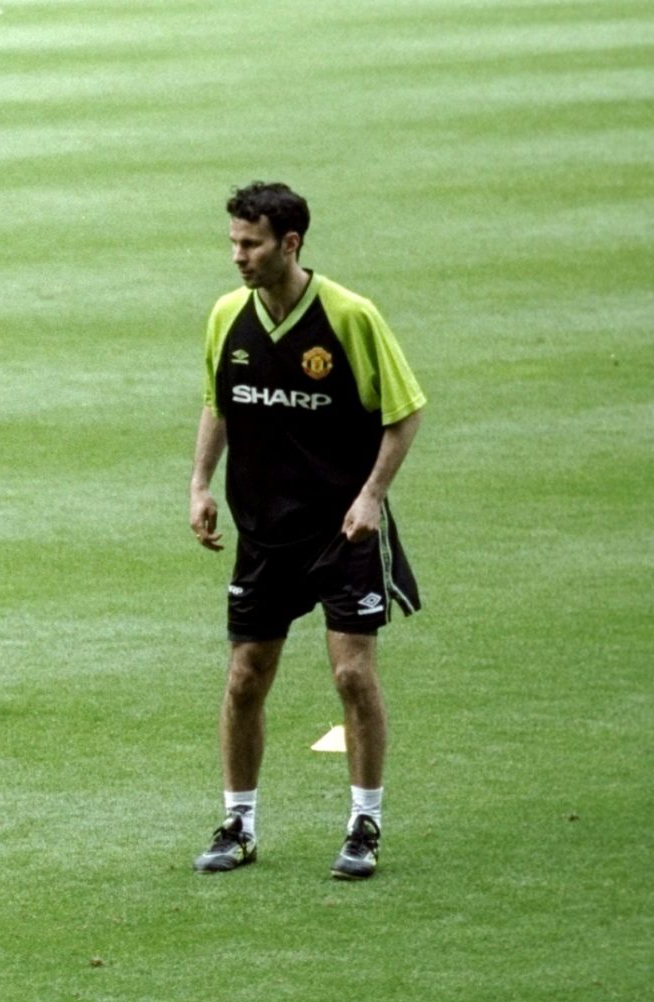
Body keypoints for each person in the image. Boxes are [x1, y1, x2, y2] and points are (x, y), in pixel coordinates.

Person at [189, 181, 426, 880]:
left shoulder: (350, 317)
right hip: (262, 532)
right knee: (244, 679)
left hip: (342, 532)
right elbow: (218, 404)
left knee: (353, 676)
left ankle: (364, 824)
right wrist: (200, 484)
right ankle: (238, 822)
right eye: (233, 242)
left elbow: (404, 411)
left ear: (289, 244)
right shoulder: (227, 317)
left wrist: (371, 497)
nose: (237, 256)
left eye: (250, 243)